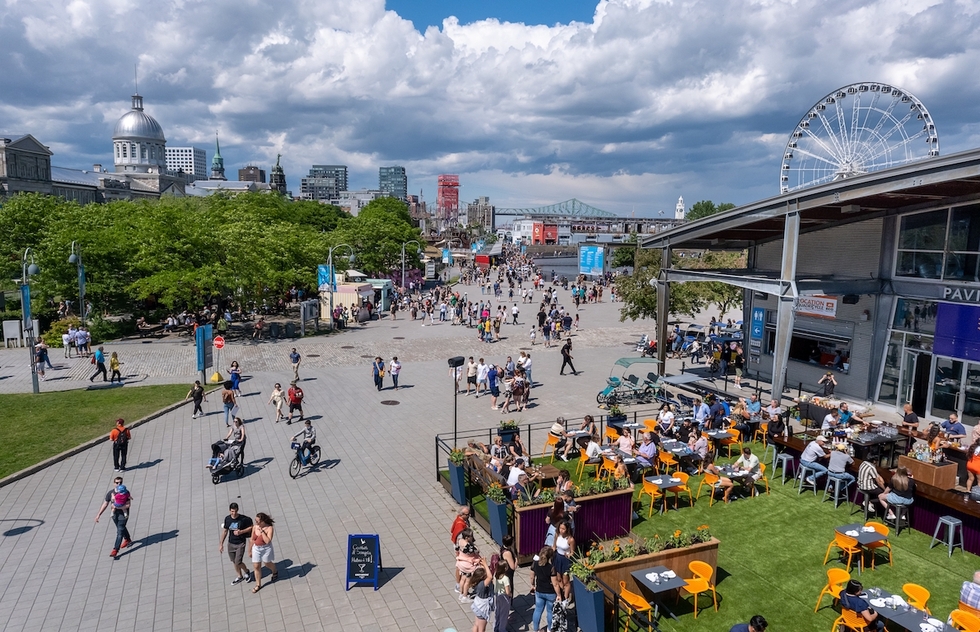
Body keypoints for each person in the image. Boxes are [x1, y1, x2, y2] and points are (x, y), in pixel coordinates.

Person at [94, 475, 133, 558]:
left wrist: (118, 507)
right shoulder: (110, 493)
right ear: (113, 483)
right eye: (117, 482)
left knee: (119, 531)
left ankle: (115, 549)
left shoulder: (125, 492)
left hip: (123, 514)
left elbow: (128, 505)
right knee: (121, 528)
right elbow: (105, 504)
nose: (118, 484)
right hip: (115, 515)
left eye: (120, 482)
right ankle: (128, 539)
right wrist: (99, 514)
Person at [219, 503, 254, 585]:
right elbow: (225, 531)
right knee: (234, 561)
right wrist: (221, 544)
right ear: (229, 510)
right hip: (231, 543)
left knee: (238, 561)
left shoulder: (243, 519)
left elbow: (251, 527)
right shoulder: (227, 519)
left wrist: (241, 532)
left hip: (240, 543)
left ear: (237, 510)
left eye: (235, 511)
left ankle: (247, 571)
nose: (233, 513)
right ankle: (239, 576)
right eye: (232, 511)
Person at [530, 546, 559, 632]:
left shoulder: (535, 564)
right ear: (550, 557)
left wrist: (532, 585)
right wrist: (559, 595)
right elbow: (555, 584)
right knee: (550, 612)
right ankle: (549, 629)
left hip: (539, 591)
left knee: (538, 610)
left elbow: (532, 577)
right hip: (550, 593)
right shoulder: (551, 568)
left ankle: (536, 629)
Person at [249, 513, 277, 593]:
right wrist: (249, 550)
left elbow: (268, 541)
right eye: (256, 521)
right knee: (256, 566)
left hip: (265, 549)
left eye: (258, 521)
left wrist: (262, 532)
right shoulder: (255, 527)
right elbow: (252, 539)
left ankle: (274, 570)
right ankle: (258, 584)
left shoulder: (269, 528)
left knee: (267, 563)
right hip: (256, 549)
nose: (256, 523)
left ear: (263, 521)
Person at [552, 520, 575, 602]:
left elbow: (572, 552)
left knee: (566, 581)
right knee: (558, 578)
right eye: (560, 528)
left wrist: (569, 555)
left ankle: (566, 598)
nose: (561, 530)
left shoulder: (570, 539)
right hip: (558, 558)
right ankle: (561, 594)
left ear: (567, 529)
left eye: (563, 529)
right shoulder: (557, 535)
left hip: (565, 560)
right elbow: (554, 546)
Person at [469, 557, 493, 632]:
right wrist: (485, 564)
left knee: (476, 624)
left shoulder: (476, 582)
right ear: (483, 577)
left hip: (477, 606)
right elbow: (490, 577)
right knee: (482, 629)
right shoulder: (482, 585)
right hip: (482, 608)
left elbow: (483, 573)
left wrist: (483, 565)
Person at [492, 548, 514, 632]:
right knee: (504, 614)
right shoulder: (505, 578)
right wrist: (510, 595)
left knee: (497, 612)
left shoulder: (495, 575)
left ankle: (496, 627)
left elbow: (494, 584)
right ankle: (502, 629)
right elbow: (507, 591)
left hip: (497, 595)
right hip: (504, 597)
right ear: (505, 568)